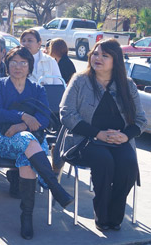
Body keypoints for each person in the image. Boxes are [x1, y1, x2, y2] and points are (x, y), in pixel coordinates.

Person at [0, 46, 74, 240]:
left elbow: (44, 118)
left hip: (28, 142)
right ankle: (54, 186)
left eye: (23, 63)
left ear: (30, 66)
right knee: (29, 142)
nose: (18, 67)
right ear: (7, 66)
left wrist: (19, 127)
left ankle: (27, 217)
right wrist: (23, 116)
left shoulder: (37, 89)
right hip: (0, 139)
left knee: (27, 157)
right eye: (14, 62)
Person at [60, 39, 146, 232]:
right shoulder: (80, 80)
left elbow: (140, 119)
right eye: (96, 53)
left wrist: (125, 136)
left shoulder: (127, 84)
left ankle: (115, 217)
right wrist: (97, 133)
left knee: (128, 165)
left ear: (116, 60)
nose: (97, 58)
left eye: (105, 55)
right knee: (105, 162)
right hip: (86, 140)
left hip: (119, 140)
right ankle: (102, 216)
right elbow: (66, 113)